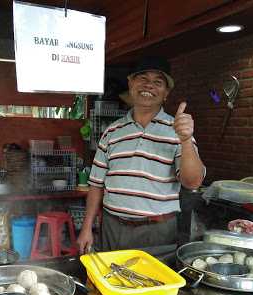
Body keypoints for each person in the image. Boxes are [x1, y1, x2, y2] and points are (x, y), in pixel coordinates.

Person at [77, 56, 205, 253]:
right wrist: (86, 228)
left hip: (157, 231)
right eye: (142, 79)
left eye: (158, 82)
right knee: (110, 281)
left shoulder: (178, 131)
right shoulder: (111, 132)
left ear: (166, 93)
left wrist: (186, 139)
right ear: (131, 84)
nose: (149, 86)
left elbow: (192, 182)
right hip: (113, 228)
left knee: (152, 283)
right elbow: (96, 185)